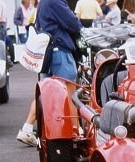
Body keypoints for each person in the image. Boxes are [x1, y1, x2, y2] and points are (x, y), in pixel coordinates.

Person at [16, 0, 82, 146]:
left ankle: (27, 128)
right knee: (70, 92)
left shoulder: (44, 2)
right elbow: (74, 24)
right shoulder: (55, 1)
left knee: (46, 94)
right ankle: (76, 132)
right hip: (60, 51)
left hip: (50, 53)